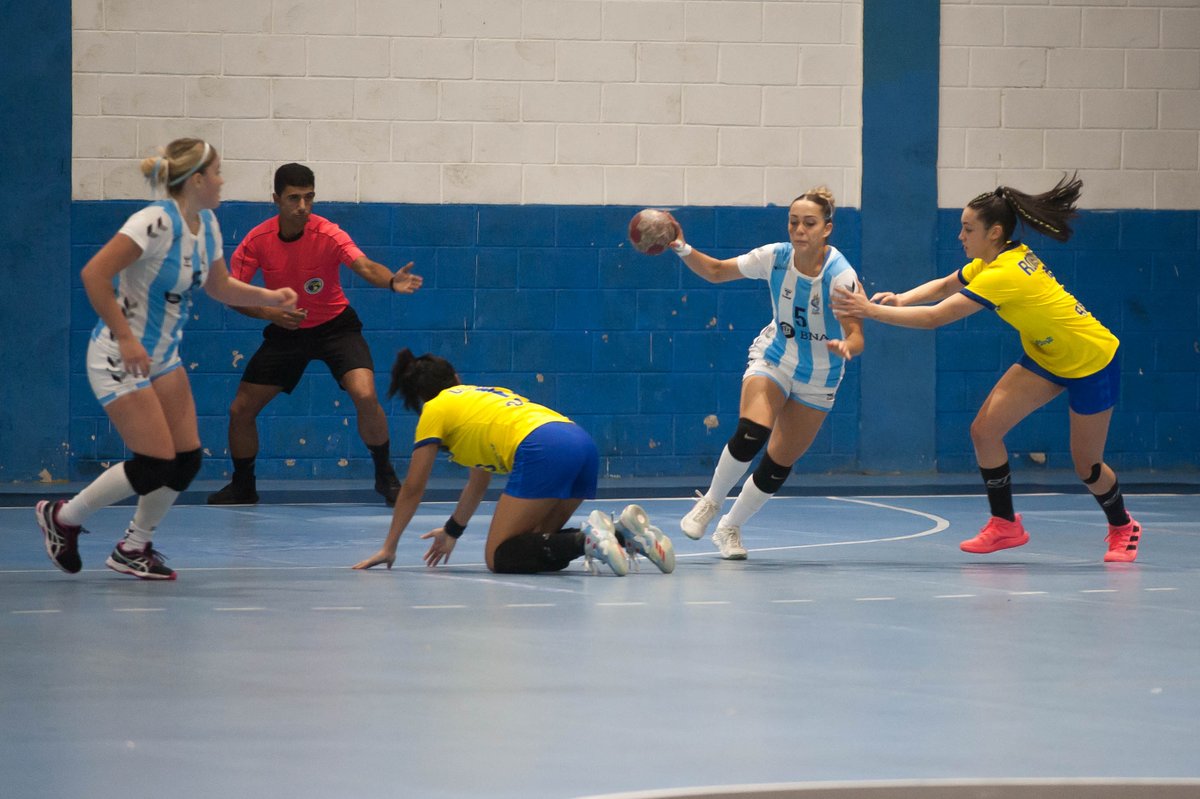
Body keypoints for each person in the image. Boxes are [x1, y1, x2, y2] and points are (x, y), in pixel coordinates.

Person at [831, 174, 1141, 563]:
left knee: (1087, 466)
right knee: (984, 431)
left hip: (1091, 360)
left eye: (967, 228)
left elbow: (934, 319)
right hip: (1047, 357)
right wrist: (899, 299)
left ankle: (1123, 526)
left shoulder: (1005, 274)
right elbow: (945, 285)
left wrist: (869, 311)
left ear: (994, 232)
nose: (960, 235)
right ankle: (1005, 524)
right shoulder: (997, 258)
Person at [35, 139, 298, 580]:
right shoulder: (154, 223)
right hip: (120, 355)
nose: (221, 180)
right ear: (195, 180)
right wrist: (125, 335)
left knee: (187, 458)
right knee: (155, 461)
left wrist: (271, 297)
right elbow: (94, 274)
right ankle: (63, 518)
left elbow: (220, 286)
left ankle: (133, 547)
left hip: (161, 357)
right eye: (216, 173)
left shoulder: (207, 224)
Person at [207, 163, 422, 507]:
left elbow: (364, 265)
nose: (302, 206)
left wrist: (391, 281)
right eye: (294, 198)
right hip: (286, 331)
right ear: (276, 199)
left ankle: (386, 477)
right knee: (240, 410)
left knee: (365, 395)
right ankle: (243, 485)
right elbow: (232, 292)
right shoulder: (257, 241)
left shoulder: (328, 233)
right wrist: (270, 314)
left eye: (309, 198)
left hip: (336, 327)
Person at [352, 350, 675, 577]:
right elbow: (478, 480)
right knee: (534, 545)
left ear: (419, 400)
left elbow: (412, 488)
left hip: (544, 448)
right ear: (455, 377)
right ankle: (624, 534)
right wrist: (452, 531)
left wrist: (389, 546)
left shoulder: (435, 409)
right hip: (579, 443)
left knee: (499, 556)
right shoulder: (483, 397)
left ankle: (585, 537)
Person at [672, 187, 866, 559]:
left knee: (777, 464)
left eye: (809, 223)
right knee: (751, 432)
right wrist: (682, 246)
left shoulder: (840, 277)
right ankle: (710, 503)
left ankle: (731, 527)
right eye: (794, 222)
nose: (799, 230)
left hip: (820, 375)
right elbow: (715, 271)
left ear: (827, 228)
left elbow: (858, 336)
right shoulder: (775, 258)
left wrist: (847, 347)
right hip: (776, 356)